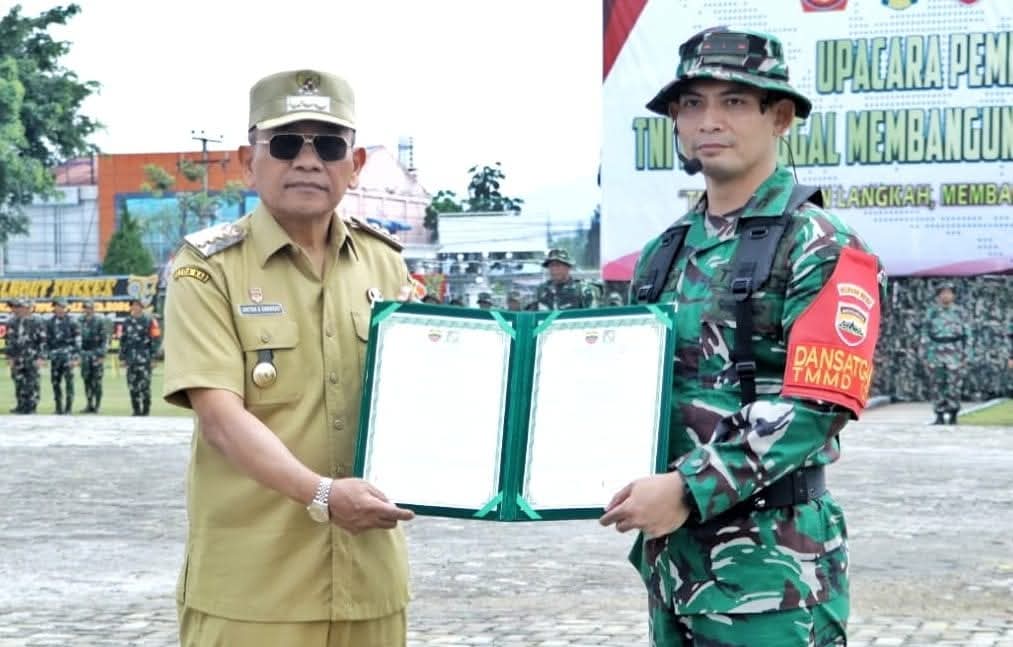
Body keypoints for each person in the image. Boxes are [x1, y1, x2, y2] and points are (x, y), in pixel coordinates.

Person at [599, 28, 885, 646]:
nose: (709, 120)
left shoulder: (822, 245)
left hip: (774, 575)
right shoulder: (663, 253)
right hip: (674, 569)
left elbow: (817, 407)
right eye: (692, 104)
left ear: (779, 117)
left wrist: (688, 488)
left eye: (734, 101)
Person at [162, 68, 415, 647]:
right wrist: (322, 495)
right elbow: (221, 419)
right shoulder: (208, 269)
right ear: (247, 161)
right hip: (254, 593)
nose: (307, 161)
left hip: (371, 585)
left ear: (355, 165)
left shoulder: (386, 264)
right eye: (284, 145)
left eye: (328, 145)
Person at [919, 282, 971, 424]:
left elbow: (968, 334)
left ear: (953, 295)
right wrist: (924, 354)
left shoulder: (960, 313)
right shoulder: (932, 312)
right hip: (936, 352)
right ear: (938, 296)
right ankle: (939, 414)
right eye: (943, 293)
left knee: (954, 385)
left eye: (949, 293)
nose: (946, 296)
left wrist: (967, 354)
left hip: (955, 353)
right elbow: (925, 334)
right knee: (937, 385)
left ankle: (953, 414)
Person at [3, 298, 46, 414]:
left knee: (32, 382)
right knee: (18, 381)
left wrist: (41, 357)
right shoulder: (12, 322)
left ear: (27, 308)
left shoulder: (37, 321)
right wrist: (9, 357)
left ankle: (31, 406)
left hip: (32, 357)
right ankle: (21, 405)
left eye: (20, 307)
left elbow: (42, 341)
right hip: (17, 357)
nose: (17, 309)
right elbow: (9, 341)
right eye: (17, 307)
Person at [119, 298, 159, 416]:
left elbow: (155, 340)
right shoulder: (126, 322)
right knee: (132, 386)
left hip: (145, 359)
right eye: (133, 305)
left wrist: (153, 358)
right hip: (131, 359)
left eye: (138, 305)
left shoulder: (149, 321)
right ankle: (136, 410)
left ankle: (146, 411)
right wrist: (122, 358)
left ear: (142, 307)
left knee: (145, 386)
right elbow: (123, 340)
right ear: (131, 307)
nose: (136, 307)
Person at [46, 297, 81, 414]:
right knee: (55, 383)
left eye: (62, 307)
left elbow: (78, 341)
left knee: (69, 383)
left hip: (68, 357)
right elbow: (47, 341)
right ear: (54, 307)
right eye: (58, 306)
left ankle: (68, 408)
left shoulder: (72, 322)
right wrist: (47, 355)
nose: (60, 309)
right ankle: (58, 407)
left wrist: (76, 358)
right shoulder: (50, 323)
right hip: (55, 358)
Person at [79, 300, 108, 413]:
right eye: (86, 308)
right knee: (87, 381)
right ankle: (89, 404)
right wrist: (79, 354)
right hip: (85, 355)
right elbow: (77, 339)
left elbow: (104, 340)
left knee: (97, 381)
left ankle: (97, 405)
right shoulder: (80, 321)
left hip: (96, 355)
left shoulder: (99, 321)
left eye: (90, 308)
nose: (88, 310)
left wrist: (102, 355)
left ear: (93, 309)